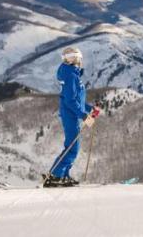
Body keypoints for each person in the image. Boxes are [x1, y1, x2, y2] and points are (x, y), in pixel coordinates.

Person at [44, 47, 99, 187]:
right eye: (78, 58)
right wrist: (84, 116)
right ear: (74, 59)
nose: (79, 61)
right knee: (72, 147)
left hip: (71, 113)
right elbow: (70, 101)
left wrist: (90, 109)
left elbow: (76, 99)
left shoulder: (71, 74)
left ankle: (63, 175)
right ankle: (56, 175)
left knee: (72, 146)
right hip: (71, 115)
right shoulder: (71, 75)